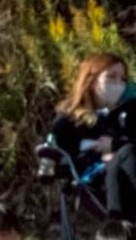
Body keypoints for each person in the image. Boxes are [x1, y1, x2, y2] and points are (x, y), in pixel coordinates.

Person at [48, 53, 136, 219]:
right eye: (111, 76)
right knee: (129, 152)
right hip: (96, 182)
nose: (119, 83)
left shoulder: (124, 114)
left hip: (124, 177)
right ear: (92, 80)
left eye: (123, 79)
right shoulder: (70, 119)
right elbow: (58, 153)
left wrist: (114, 145)